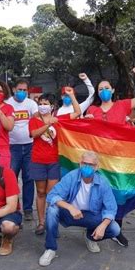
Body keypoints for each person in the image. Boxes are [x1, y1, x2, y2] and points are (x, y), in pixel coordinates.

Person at [85, 66, 135, 247]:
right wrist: (86, 121)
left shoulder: (122, 106)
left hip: (119, 161)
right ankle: (91, 233)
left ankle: (116, 230)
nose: (104, 91)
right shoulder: (92, 109)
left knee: (119, 195)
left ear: (113, 90)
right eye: (100, 89)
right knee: (95, 196)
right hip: (97, 162)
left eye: (107, 88)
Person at [38, 151, 120, 267]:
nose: (87, 167)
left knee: (114, 229)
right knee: (52, 209)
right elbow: (52, 195)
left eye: (91, 165)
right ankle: (50, 249)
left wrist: (102, 226)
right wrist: (69, 207)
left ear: (97, 167)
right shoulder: (71, 176)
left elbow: (111, 209)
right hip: (70, 213)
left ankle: (90, 237)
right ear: (79, 164)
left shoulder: (102, 183)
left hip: (90, 216)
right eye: (84, 163)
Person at [29, 89, 81, 235]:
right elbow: (34, 134)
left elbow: (77, 112)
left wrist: (71, 95)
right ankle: (41, 222)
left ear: (52, 106)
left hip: (54, 162)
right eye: (40, 104)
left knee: (52, 193)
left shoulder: (59, 118)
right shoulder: (34, 120)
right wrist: (47, 124)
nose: (42, 106)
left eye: (45, 104)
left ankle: (52, 222)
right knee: (40, 192)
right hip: (37, 161)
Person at [5, 79, 39, 221]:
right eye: (20, 89)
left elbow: (37, 120)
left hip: (30, 146)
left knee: (28, 179)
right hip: (12, 147)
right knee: (11, 179)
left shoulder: (31, 104)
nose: (23, 92)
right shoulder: (7, 104)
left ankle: (28, 209)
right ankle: (14, 207)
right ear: (14, 89)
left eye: (25, 90)